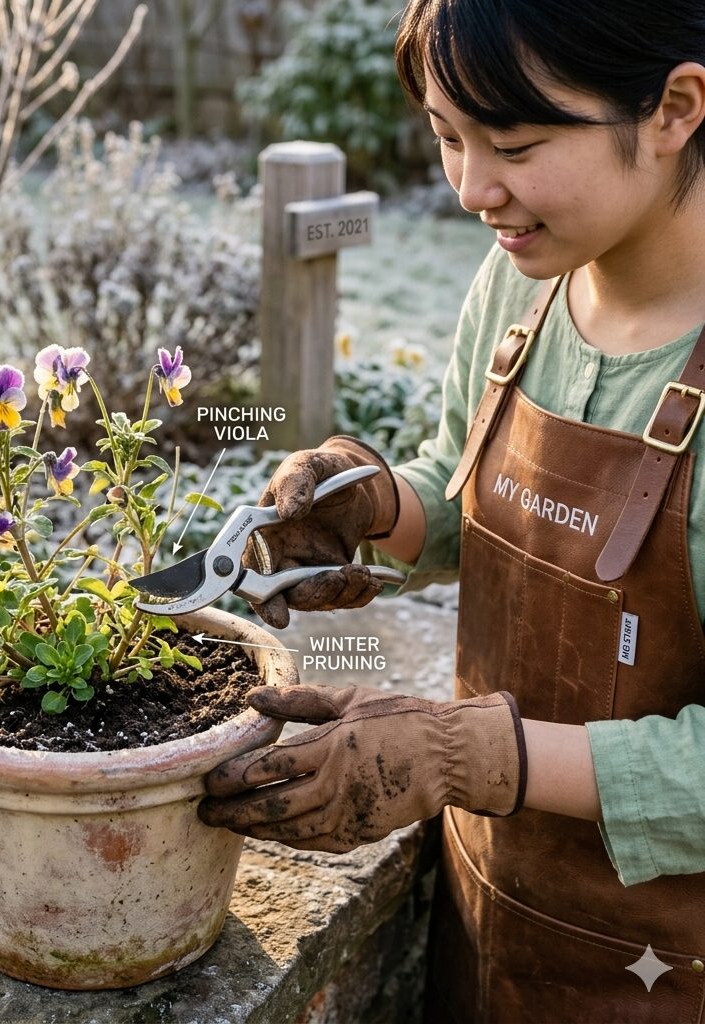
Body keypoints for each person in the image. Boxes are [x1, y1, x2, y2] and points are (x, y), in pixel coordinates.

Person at [197, 2, 705, 1021]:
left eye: (514, 143)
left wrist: (466, 751)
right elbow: (472, 484)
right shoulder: (523, 282)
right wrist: (371, 502)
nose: (473, 189)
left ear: (674, 108)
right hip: (487, 912)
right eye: (445, 136)